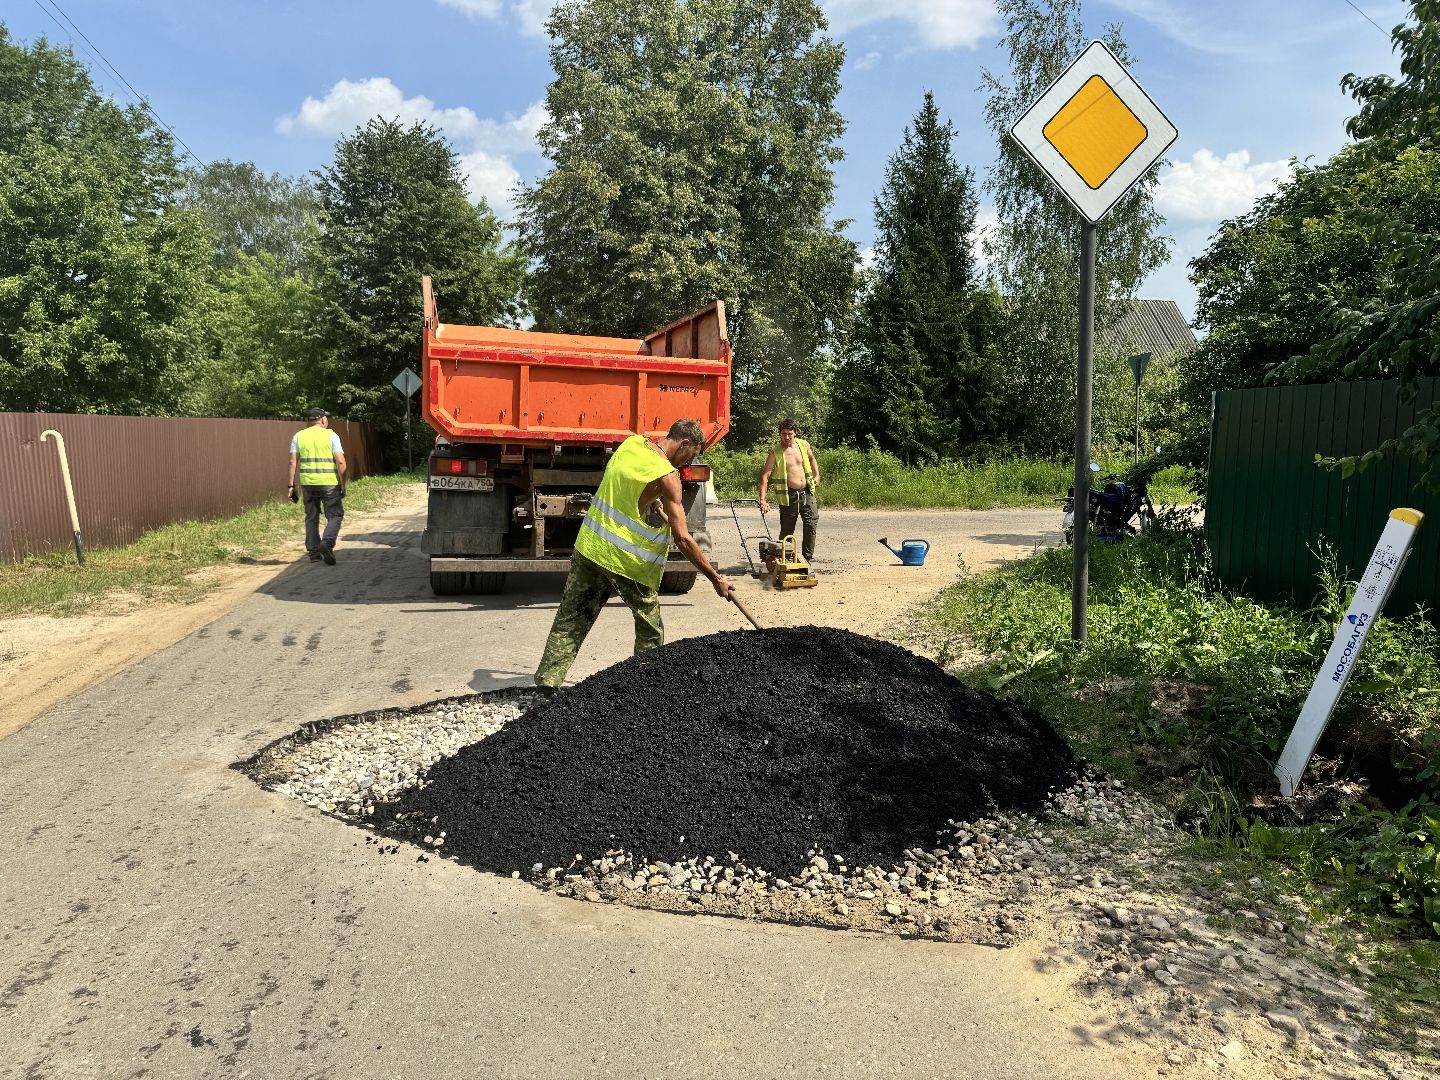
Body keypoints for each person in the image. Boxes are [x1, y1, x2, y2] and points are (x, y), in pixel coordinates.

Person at [534, 419, 731, 691]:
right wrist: (715, 577)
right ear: (684, 443)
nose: (689, 462)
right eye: (693, 454)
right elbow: (683, 539)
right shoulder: (667, 476)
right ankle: (643, 691)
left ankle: (547, 684)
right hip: (625, 560)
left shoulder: (631, 444)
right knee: (650, 628)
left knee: (571, 617)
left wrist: (649, 497)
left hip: (589, 547)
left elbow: (626, 484)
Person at [287, 407, 347, 565]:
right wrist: (343, 483)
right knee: (335, 515)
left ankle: (313, 553)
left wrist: (290, 486)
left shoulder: (298, 436)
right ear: (322, 419)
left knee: (311, 517)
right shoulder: (331, 435)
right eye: (326, 418)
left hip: (307, 483)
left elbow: (293, 462)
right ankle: (326, 543)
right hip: (329, 483)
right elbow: (340, 461)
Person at [758, 418, 821, 563]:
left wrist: (817, 475)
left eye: (789, 434)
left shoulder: (803, 445)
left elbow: (812, 459)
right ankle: (785, 559)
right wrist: (763, 500)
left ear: (795, 433)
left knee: (811, 524)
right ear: (779, 434)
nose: (786, 437)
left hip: (807, 492)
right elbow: (765, 476)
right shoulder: (775, 453)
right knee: (787, 531)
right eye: (783, 434)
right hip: (789, 496)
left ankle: (807, 559)